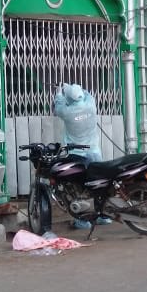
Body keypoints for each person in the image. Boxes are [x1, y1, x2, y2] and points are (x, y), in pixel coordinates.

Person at [53, 83, 108, 229]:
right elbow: (87, 93)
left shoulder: (67, 112)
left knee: (77, 188)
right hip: (95, 152)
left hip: (78, 155)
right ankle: (102, 215)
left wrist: (60, 91)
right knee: (98, 185)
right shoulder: (91, 105)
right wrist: (75, 89)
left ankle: (82, 220)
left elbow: (57, 106)